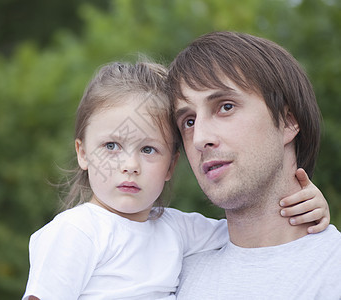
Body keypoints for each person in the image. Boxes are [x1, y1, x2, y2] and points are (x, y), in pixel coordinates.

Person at [22, 60, 329, 300]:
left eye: (148, 149)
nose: (130, 165)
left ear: (171, 165)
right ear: (83, 153)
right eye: (111, 146)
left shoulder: (175, 230)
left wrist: (305, 204)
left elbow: (255, 228)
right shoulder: (76, 232)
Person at [167, 31, 341, 299]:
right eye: (188, 121)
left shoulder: (332, 271)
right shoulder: (167, 274)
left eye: (225, 107)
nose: (200, 138)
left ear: (288, 121)